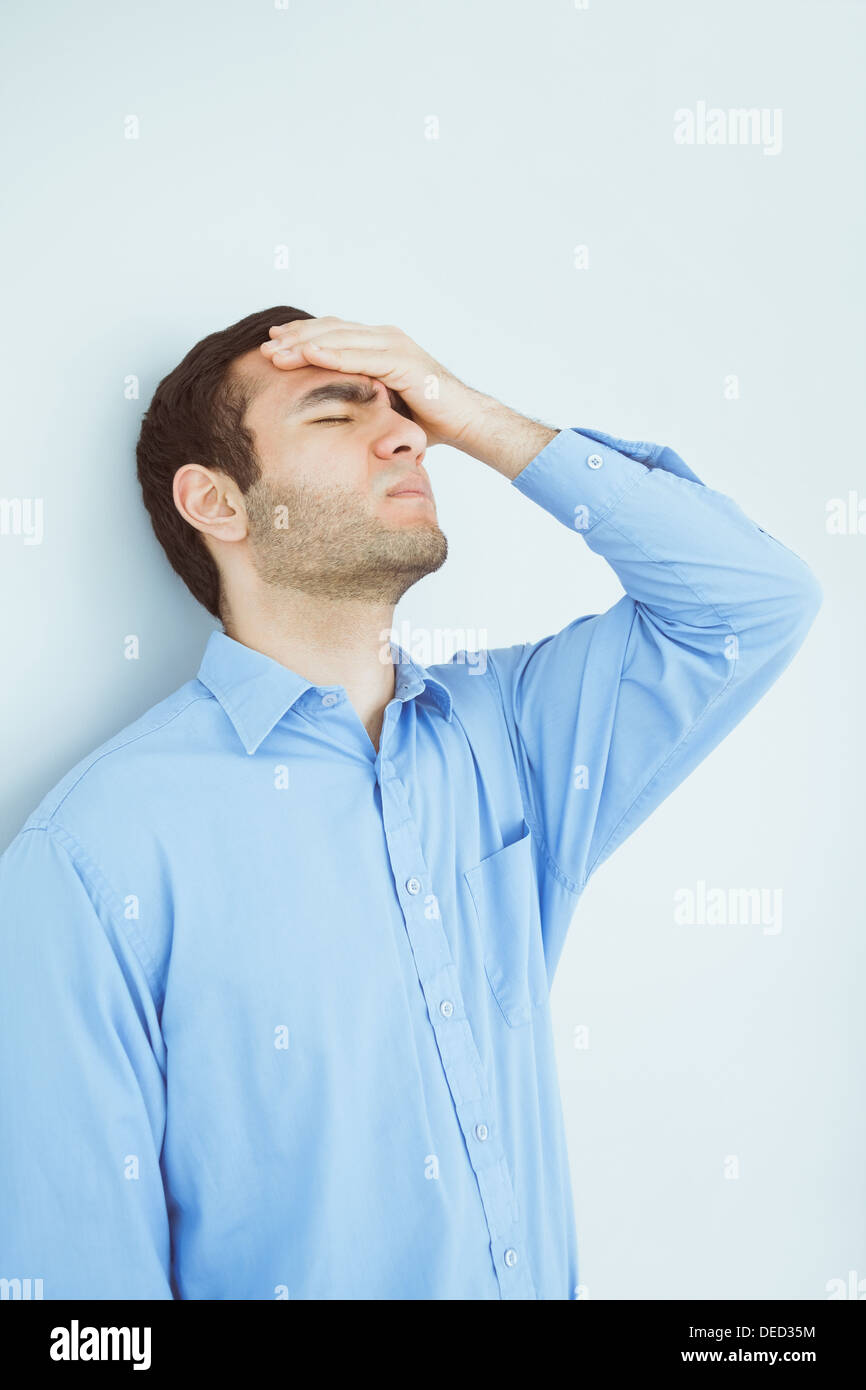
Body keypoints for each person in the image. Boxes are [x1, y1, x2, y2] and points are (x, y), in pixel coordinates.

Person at [0, 307, 822, 1300]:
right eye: (333, 412)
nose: (406, 434)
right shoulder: (93, 852)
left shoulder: (511, 734)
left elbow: (753, 601)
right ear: (214, 501)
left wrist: (474, 414)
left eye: (407, 409)